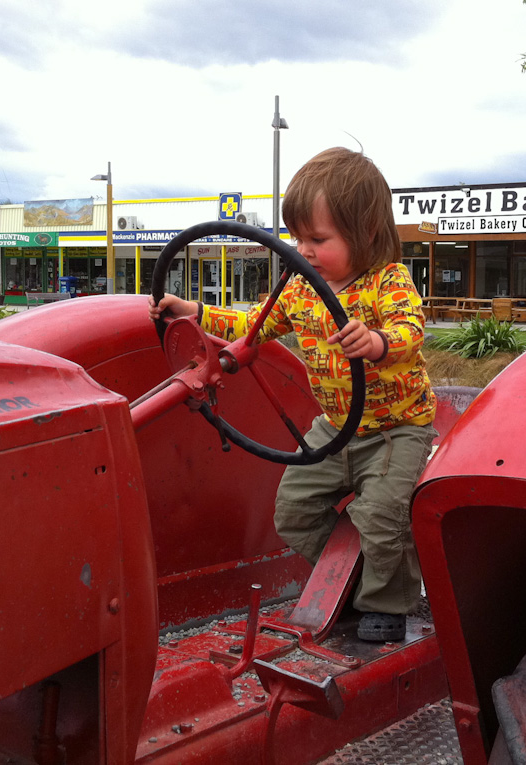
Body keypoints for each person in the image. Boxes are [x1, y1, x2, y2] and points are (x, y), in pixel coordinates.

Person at [148, 147, 436, 642]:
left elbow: (411, 328)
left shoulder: (387, 281)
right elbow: (250, 328)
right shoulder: (300, 290)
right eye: (297, 237)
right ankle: (351, 582)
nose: (302, 249)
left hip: (395, 427)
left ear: (365, 233)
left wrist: (377, 342)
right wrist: (191, 311)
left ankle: (387, 602)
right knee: (293, 511)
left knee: (383, 517)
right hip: (333, 429)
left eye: (317, 239)